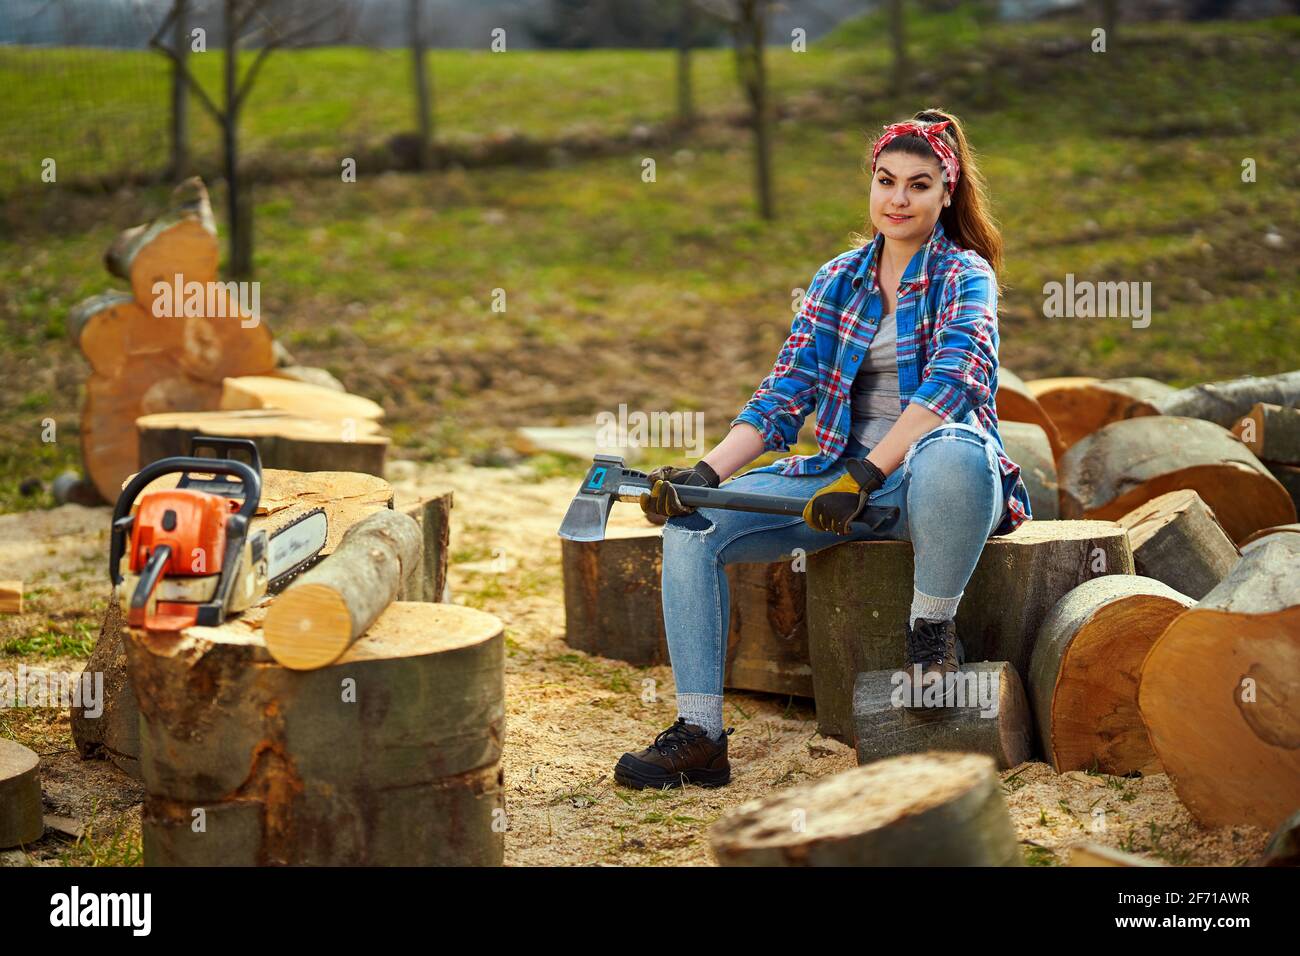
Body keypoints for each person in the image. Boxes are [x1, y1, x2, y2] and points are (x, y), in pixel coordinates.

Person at [613, 108, 1034, 792]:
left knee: (953, 448)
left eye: (919, 185)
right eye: (886, 180)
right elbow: (787, 389)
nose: (898, 199)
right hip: (843, 483)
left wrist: (869, 473)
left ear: (946, 194)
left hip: (938, 482)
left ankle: (931, 638)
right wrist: (704, 474)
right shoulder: (838, 278)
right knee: (692, 531)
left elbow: (952, 383)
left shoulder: (967, 277)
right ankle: (701, 736)